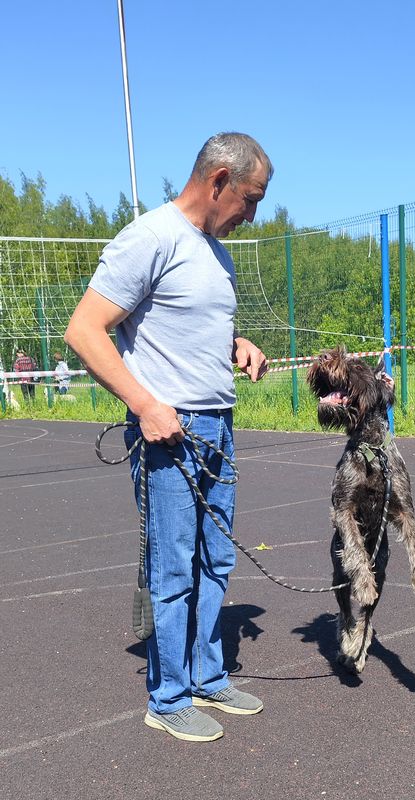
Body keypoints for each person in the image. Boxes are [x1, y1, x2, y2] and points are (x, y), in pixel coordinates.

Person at [65, 132, 273, 743]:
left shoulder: (217, 253)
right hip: (169, 433)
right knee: (174, 567)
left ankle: (208, 677)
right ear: (218, 181)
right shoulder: (150, 237)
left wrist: (236, 344)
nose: (252, 215)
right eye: (251, 199)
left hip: (217, 427)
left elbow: (186, 326)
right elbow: (85, 330)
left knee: (216, 559)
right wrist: (145, 405)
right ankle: (169, 697)